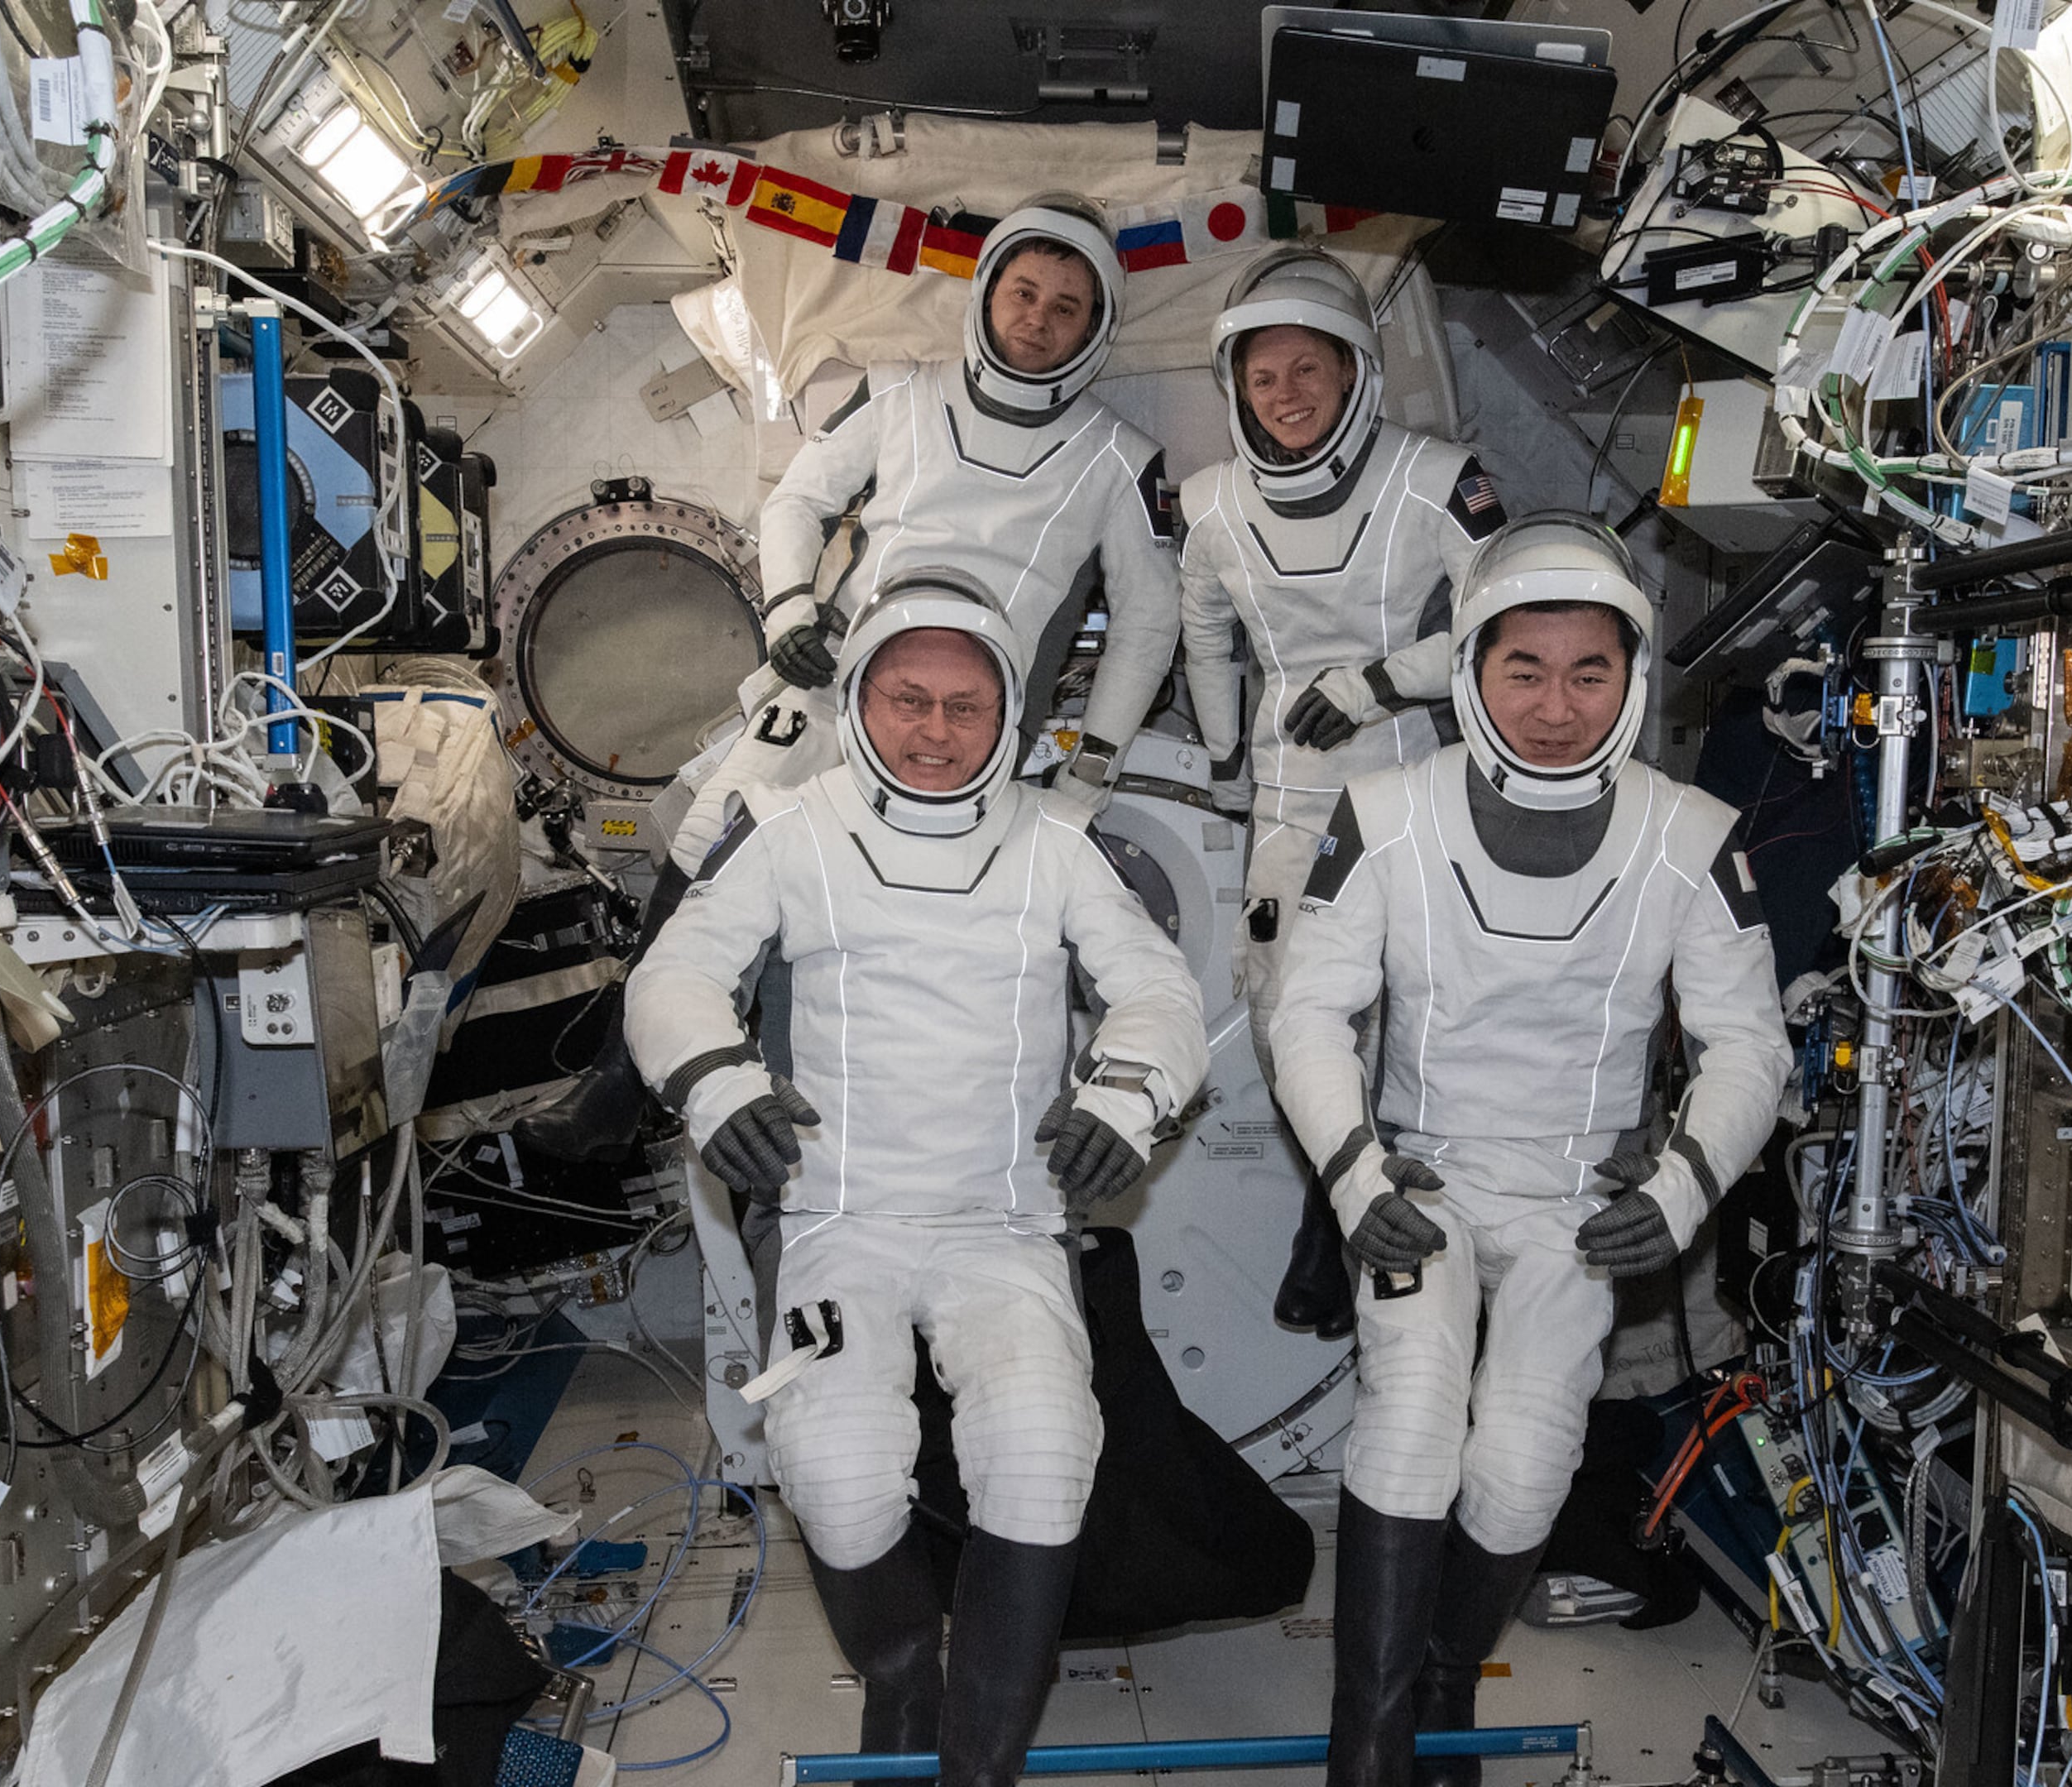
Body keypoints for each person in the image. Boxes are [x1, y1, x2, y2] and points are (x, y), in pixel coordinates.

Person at [624, 571, 1207, 1787]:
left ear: (1005, 719)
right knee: (833, 1465)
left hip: (1003, 1221)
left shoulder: (1053, 845)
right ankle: (902, 1669)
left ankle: (978, 1766)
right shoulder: (792, 832)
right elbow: (671, 980)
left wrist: (1124, 1092)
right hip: (839, 1221)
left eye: (965, 707)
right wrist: (719, 1085)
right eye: (906, 701)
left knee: (1043, 1450)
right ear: (861, 698)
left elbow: (1159, 991)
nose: (936, 734)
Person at [1264, 515, 1794, 1787]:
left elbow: (1750, 1049)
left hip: (1581, 1203)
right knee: (1408, 1429)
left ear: (1632, 680)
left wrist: (1679, 1186)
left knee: (1515, 1476)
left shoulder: (1692, 834)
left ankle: (1441, 1682)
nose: (1556, 707)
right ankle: (1370, 1746)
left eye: (1588, 673)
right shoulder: (1383, 814)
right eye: (1524, 671)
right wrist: (1352, 1170)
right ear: (1472, 674)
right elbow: (1306, 1011)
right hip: (1419, 1187)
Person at [520, 196, 1182, 1162]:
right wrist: (790, 612)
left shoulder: (1118, 461)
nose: (1037, 320)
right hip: (837, 685)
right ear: (988, 293)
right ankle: (624, 1089)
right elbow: (798, 501)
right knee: (711, 841)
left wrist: (1093, 768)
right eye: (1023, 293)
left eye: (1067, 307)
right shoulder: (901, 396)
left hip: (968, 737)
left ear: (1096, 328)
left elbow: (1150, 617)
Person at [1173, 247, 1510, 1338]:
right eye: (1265, 379)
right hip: (1290, 800)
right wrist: (1226, 738)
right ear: (1237, 391)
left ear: (1356, 370)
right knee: (1282, 997)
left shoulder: (1432, 478)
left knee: (1409, 1007)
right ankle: (1338, 1197)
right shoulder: (1215, 502)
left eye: (1308, 370)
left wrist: (1379, 682)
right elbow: (1201, 616)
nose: (1288, 397)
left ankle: (1393, 1225)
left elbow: (1506, 613)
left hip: (1408, 783)